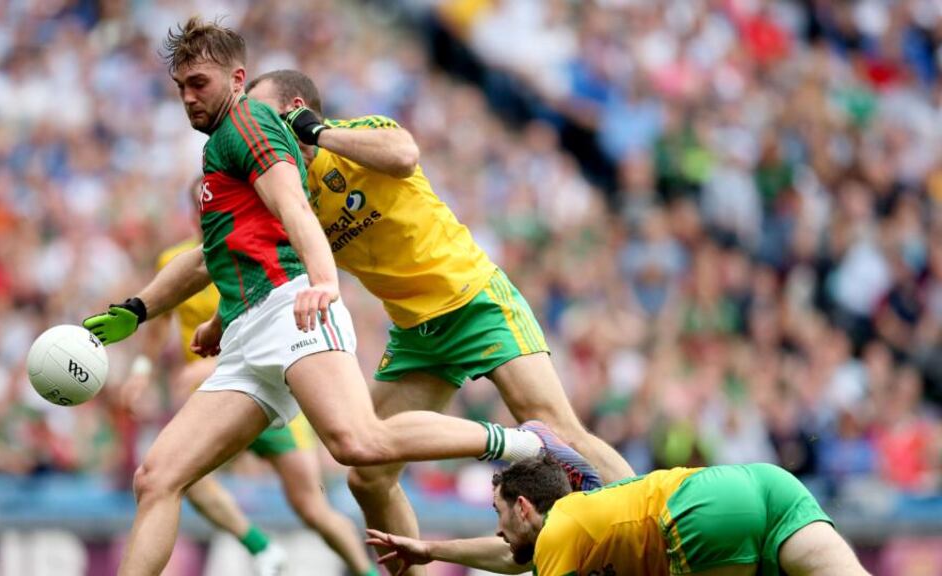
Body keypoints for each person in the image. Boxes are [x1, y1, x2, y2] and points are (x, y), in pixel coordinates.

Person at [82, 17, 599, 576]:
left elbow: (318, 199)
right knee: (158, 477)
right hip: (277, 329)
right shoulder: (222, 154)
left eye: (198, 83)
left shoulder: (250, 125)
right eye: (180, 86)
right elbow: (213, 256)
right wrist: (140, 310)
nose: (187, 98)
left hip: (335, 307)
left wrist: (324, 280)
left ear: (236, 79)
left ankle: (536, 453)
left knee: (359, 443)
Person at [245, 70, 635, 574]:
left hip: (473, 300)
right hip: (416, 335)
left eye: (266, 120)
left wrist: (316, 132)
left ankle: (655, 531)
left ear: (296, 109)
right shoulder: (289, 191)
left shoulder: (358, 135)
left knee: (558, 427)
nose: (257, 135)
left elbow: (404, 154)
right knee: (366, 472)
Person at [121, 204, 378, 576]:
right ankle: (258, 545)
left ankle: (365, 572)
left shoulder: (253, 253)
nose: (207, 216)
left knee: (310, 505)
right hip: (218, 395)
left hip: (264, 377)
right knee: (168, 476)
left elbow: (270, 315)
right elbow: (160, 323)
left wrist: (213, 356)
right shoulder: (176, 262)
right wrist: (142, 370)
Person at [367, 456, 872, 576]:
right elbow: (511, 552)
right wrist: (429, 550)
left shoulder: (561, 531)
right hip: (763, 483)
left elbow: (523, 553)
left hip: (694, 518)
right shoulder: (577, 521)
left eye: (499, 512)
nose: (498, 527)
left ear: (524, 507)